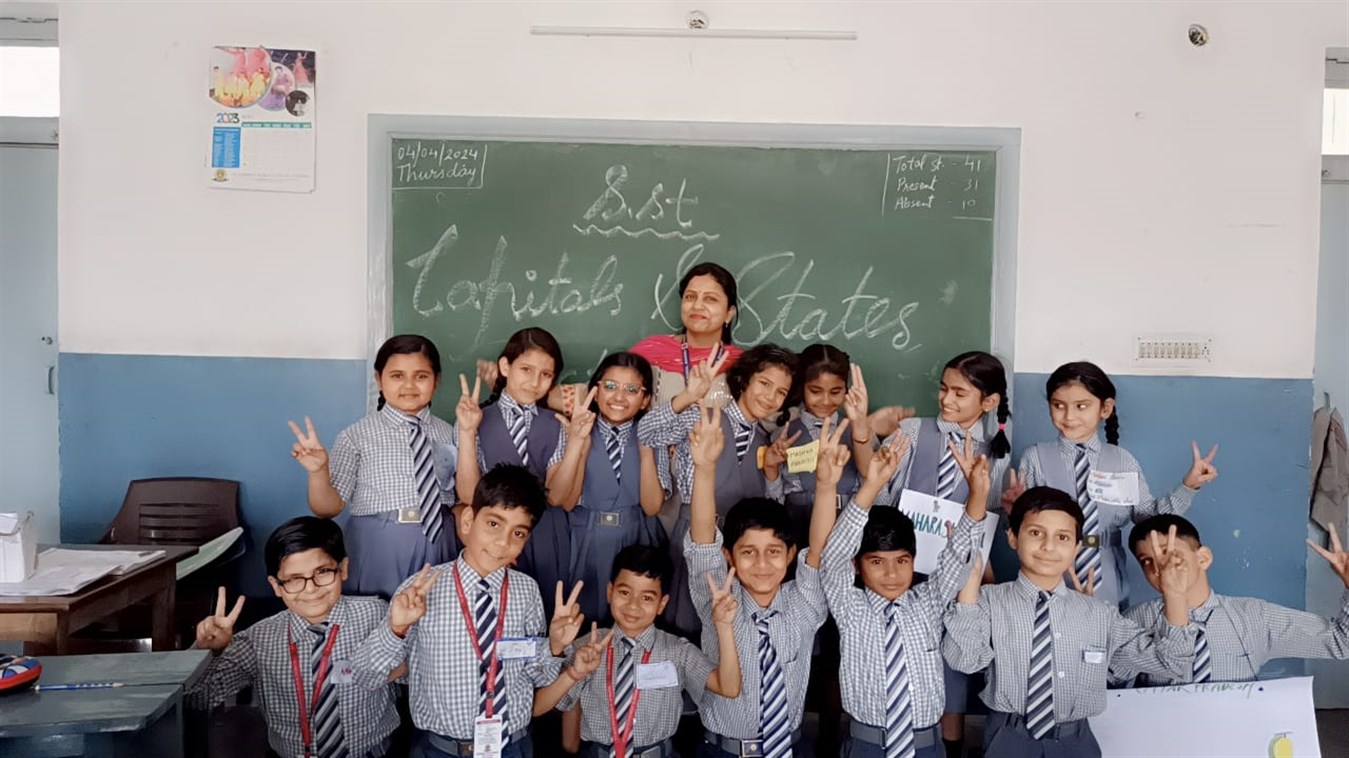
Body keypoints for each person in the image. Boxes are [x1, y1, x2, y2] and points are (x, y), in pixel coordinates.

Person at [353, 464, 589, 758]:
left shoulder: (526, 591)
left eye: (518, 533)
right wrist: (395, 629)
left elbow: (535, 676)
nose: (503, 542)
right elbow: (367, 678)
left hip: (512, 745)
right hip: (440, 749)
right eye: (494, 524)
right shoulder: (420, 590)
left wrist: (555, 647)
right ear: (468, 520)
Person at [943, 487, 1197, 758]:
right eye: (1036, 533)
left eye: (1062, 537)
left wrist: (1175, 595)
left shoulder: (1099, 614)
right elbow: (965, 660)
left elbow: (1172, 662)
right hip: (1008, 738)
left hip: (1075, 742)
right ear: (1013, 537)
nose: (1049, 546)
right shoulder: (988, 601)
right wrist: (968, 589)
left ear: (1076, 547)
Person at [816, 421, 987, 758]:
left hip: (926, 747)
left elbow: (958, 556)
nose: (892, 573)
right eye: (877, 562)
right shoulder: (849, 606)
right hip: (867, 747)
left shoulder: (929, 602)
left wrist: (977, 496)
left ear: (914, 560)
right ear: (857, 565)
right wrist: (873, 485)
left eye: (902, 560)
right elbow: (832, 556)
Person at [872, 349, 1011, 756]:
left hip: (960, 577)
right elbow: (881, 495)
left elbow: (988, 520)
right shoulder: (913, 431)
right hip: (903, 573)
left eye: (960, 393)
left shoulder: (996, 452)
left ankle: (949, 747)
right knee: (900, 659)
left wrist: (983, 573)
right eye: (943, 389)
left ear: (989, 402)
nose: (946, 400)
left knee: (952, 669)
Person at [1006, 361, 1219, 609]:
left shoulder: (1122, 461)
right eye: (1058, 405)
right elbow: (1021, 531)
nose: (1069, 416)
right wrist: (1013, 513)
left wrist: (1188, 486)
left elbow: (1147, 517)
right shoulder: (1036, 457)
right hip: (1049, 564)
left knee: (1104, 625)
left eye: (1081, 406)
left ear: (1105, 408)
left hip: (1107, 570)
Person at [187, 517, 399, 758]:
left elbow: (409, 674)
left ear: (343, 569)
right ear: (276, 586)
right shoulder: (260, 638)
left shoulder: (377, 615)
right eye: (294, 579)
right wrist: (209, 653)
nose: (311, 588)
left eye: (323, 572)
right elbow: (198, 699)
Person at [685, 404, 829, 757]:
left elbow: (819, 550)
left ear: (791, 554)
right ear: (729, 556)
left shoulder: (804, 602)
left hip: (791, 748)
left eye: (774, 551)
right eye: (748, 552)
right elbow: (703, 541)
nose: (762, 564)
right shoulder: (717, 598)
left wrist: (826, 486)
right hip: (722, 751)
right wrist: (704, 469)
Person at [638, 344, 797, 636]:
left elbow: (771, 506)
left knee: (726, 632)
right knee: (685, 626)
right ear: (744, 380)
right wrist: (688, 396)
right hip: (692, 537)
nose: (770, 397)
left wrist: (772, 471)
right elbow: (647, 433)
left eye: (781, 392)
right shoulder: (702, 416)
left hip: (741, 551)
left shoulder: (765, 442)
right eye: (764, 383)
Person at [288, 334, 457, 600]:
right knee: (377, 612)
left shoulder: (451, 433)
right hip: (379, 543)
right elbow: (328, 508)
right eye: (397, 376)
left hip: (440, 542)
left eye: (421, 376)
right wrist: (318, 471)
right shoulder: (356, 435)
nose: (409, 385)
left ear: (436, 381)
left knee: (438, 611)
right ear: (379, 380)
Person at [537, 545, 744, 758]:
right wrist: (573, 673)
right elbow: (537, 708)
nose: (633, 606)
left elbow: (728, 688)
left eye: (647, 598)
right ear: (610, 592)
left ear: (662, 604)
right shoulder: (586, 647)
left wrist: (724, 626)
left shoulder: (677, 652)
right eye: (625, 593)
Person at [1113, 514, 1349, 685]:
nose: (1160, 568)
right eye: (1146, 561)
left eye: (1169, 554)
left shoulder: (1254, 616)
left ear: (1203, 558)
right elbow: (1109, 682)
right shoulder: (1135, 620)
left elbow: (1341, 642)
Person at [455, 327, 583, 617]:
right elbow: (467, 494)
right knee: (491, 610)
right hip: (493, 533)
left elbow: (556, 497)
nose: (534, 382)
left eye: (546, 374)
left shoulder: (556, 424)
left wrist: (576, 440)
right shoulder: (474, 418)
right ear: (505, 367)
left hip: (546, 534)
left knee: (546, 609)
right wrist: (466, 432)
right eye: (526, 369)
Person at [559, 352, 670, 625]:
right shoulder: (574, 429)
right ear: (595, 392)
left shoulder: (653, 434)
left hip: (638, 535)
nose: (619, 397)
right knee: (583, 617)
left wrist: (646, 452)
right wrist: (580, 447)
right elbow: (567, 502)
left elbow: (652, 507)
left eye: (632, 390)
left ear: (645, 400)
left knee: (633, 616)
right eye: (610, 386)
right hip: (585, 536)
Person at [772, 344, 875, 550]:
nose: (826, 401)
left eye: (835, 391)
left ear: (846, 390)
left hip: (850, 535)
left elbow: (871, 478)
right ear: (802, 387)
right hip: (798, 534)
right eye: (815, 391)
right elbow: (774, 496)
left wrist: (859, 427)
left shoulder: (861, 432)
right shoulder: (783, 435)